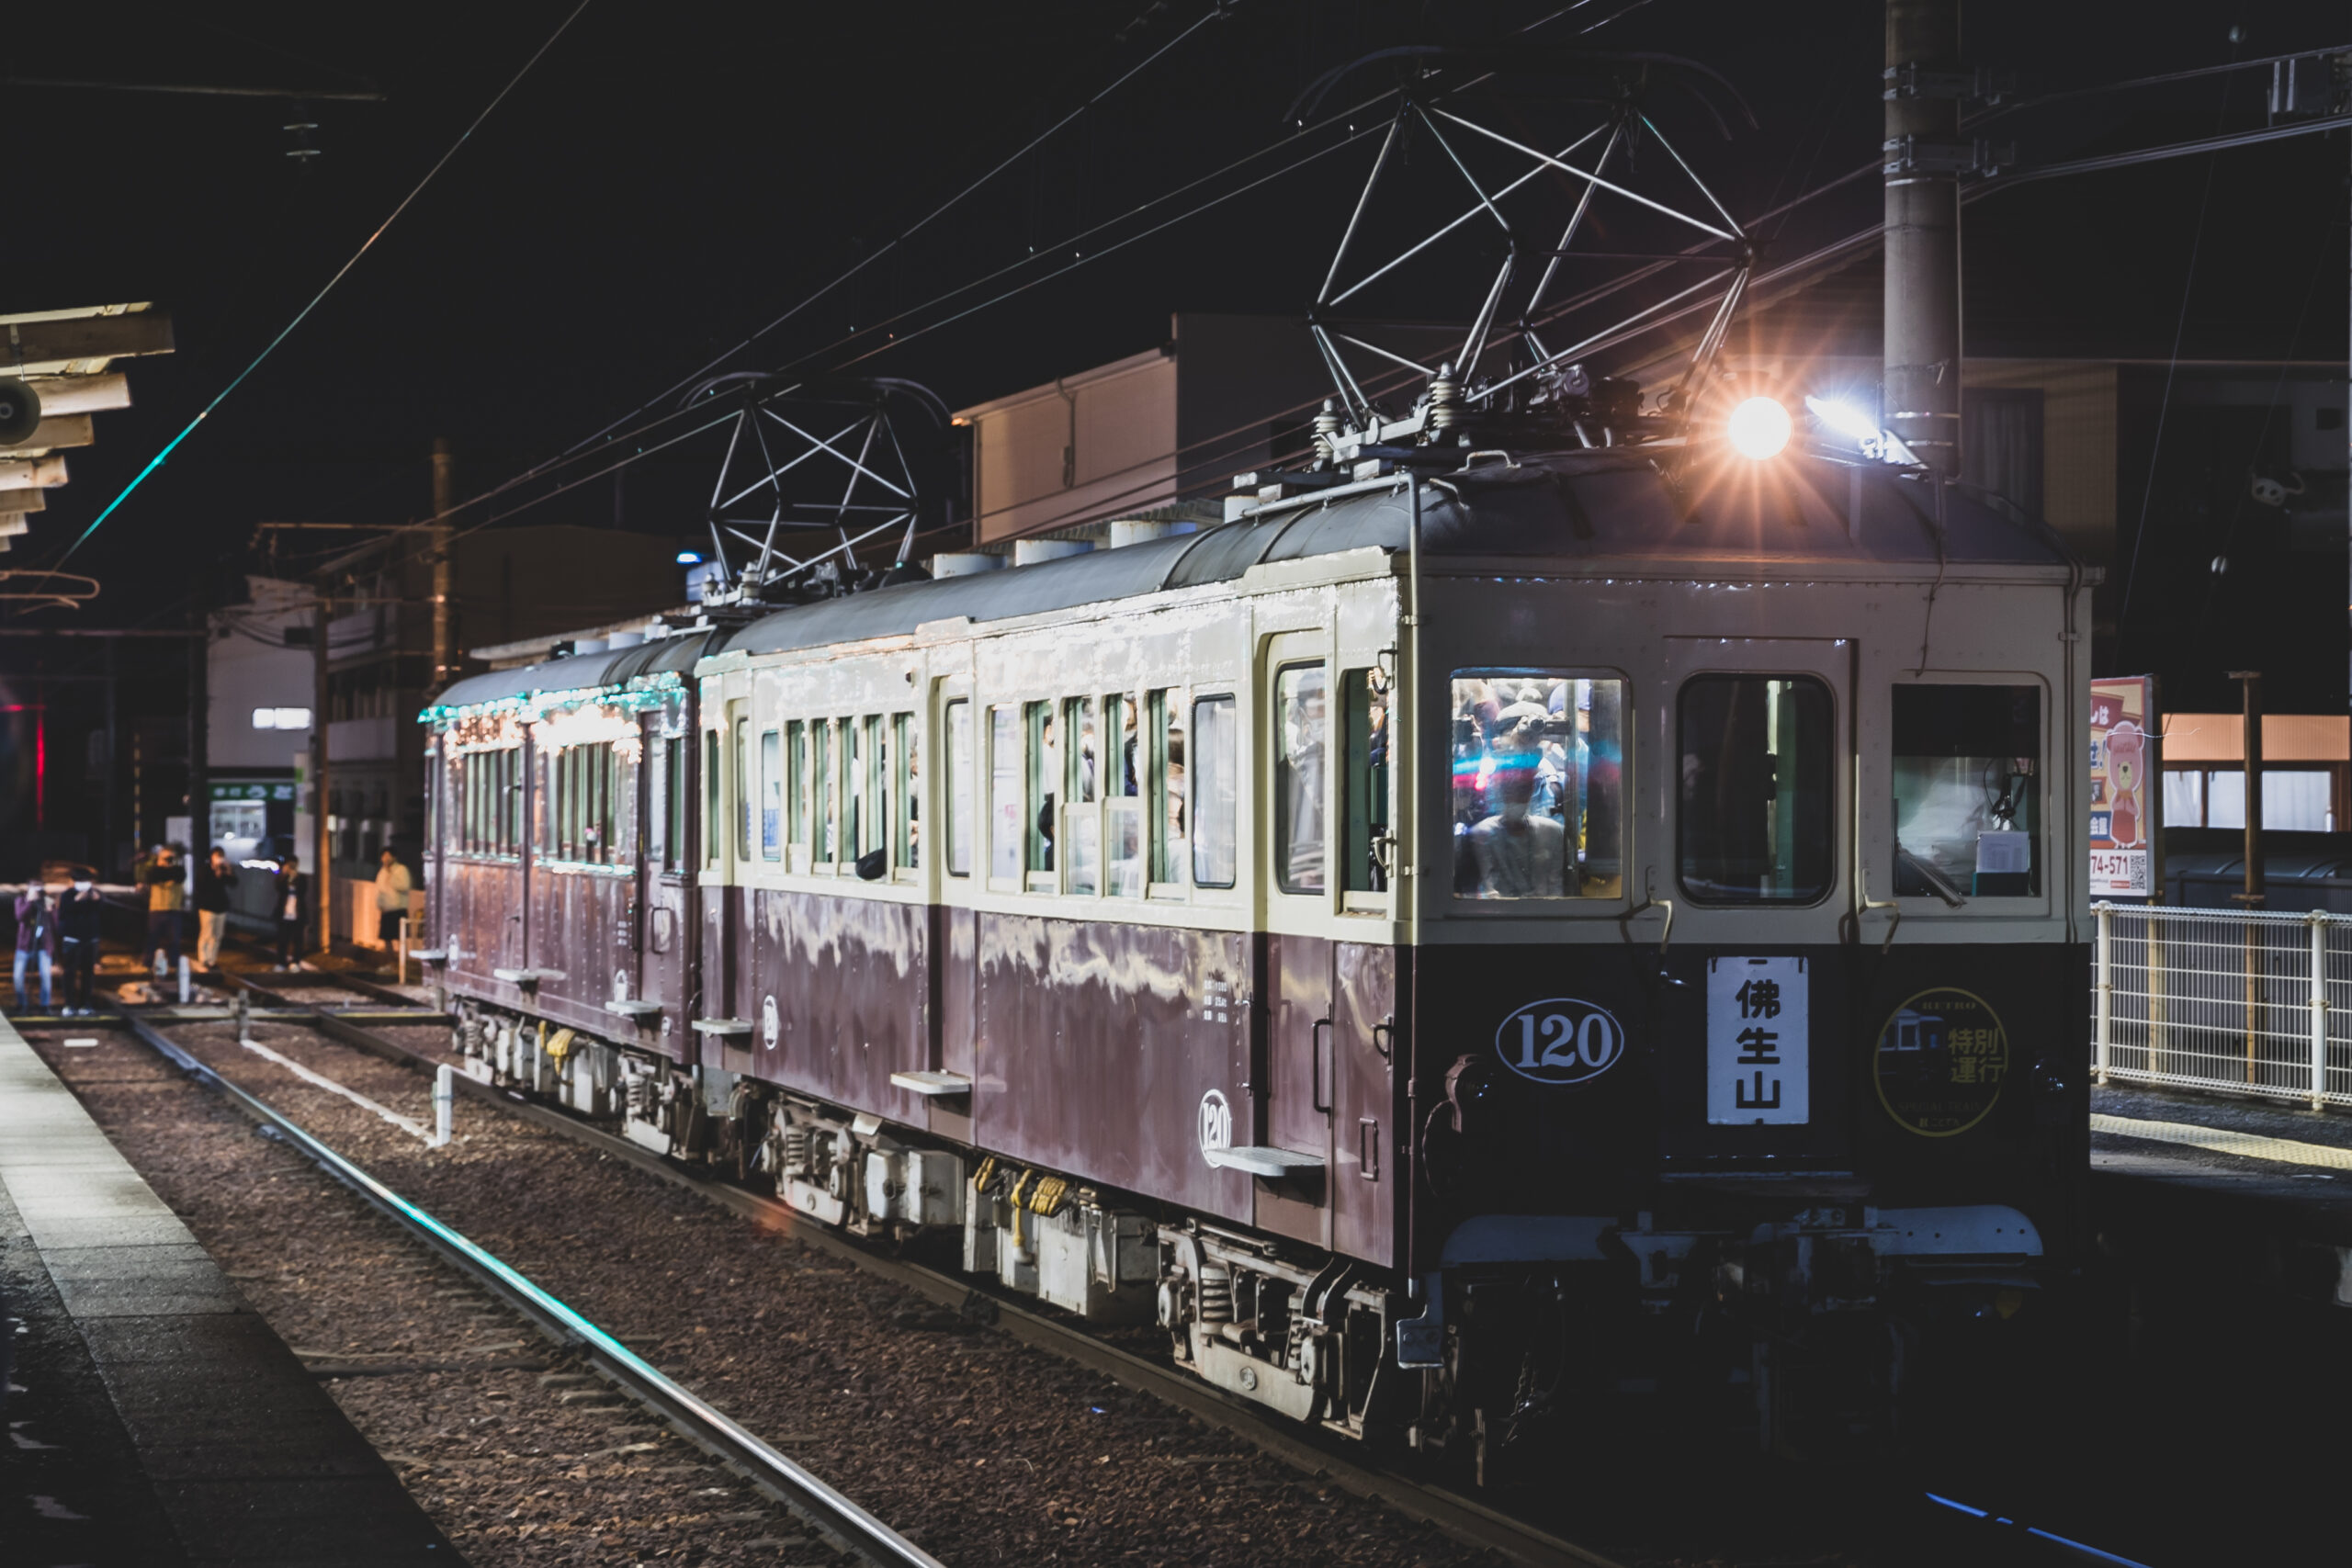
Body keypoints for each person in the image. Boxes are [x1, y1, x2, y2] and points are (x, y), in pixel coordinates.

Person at [58, 874, 102, 1016]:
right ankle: (69, 1004)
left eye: (86, 881)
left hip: (90, 939)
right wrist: (76, 900)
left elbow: (103, 913)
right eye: (80, 881)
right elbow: (63, 913)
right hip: (72, 939)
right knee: (69, 972)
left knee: (88, 973)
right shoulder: (67, 895)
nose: (84, 884)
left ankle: (85, 1004)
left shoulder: (95, 894)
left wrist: (97, 901)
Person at [138, 844, 185, 976]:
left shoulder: (179, 870)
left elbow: (179, 876)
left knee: (174, 940)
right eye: (164, 858)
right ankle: (147, 964)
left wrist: (168, 867)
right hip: (156, 909)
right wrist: (162, 867)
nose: (167, 860)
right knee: (152, 939)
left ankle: (174, 965)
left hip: (174, 909)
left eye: (170, 858)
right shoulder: (154, 871)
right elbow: (152, 876)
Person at [194, 845, 239, 972]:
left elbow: (234, 883)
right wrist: (216, 874)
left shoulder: (224, 869)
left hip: (221, 907)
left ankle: (212, 960)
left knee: (218, 935)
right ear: (212, 857)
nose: (219, 858)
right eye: (217, 856)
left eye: (221, 856)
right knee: (206, 934)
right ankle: (203, 959)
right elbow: (202, 885)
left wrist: (228, 871)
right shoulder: (205, 869)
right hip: (207, 907)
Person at [12, 884, 56, 1013]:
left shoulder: (47, 901)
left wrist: (50, 911)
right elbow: (20, 916)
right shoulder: (21, 900)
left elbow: (55, 924)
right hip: (24, 946)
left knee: (46, 976)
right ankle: (21, 1003)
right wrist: (29, 902)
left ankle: (44, 1005)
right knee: (18, 977)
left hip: (43, 946)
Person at [374, 847, 413, 946]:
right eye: (384, 856)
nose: (386, 859)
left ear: (394, 857)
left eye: (388, 856)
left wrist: (391, 876)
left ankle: (402, 955)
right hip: (386, 910)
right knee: (386, 938)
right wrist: (379, 904)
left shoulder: (401, 869)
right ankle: (389, 956)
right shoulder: (382, 871)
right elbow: (379, 890)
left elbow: (405, 886)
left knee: (401, 937)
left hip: (398, 909)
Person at [274, 855, 307, 969]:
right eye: (289, 865)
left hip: (297, 914)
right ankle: (281, 962)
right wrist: (286, 875)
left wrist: (294, 876)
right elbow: (279, 888)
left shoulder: (301, 878)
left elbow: (302, 891)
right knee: (282, 939)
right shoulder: (282, 877)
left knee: (298, 940)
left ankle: (296, 962)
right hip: (284, 914)